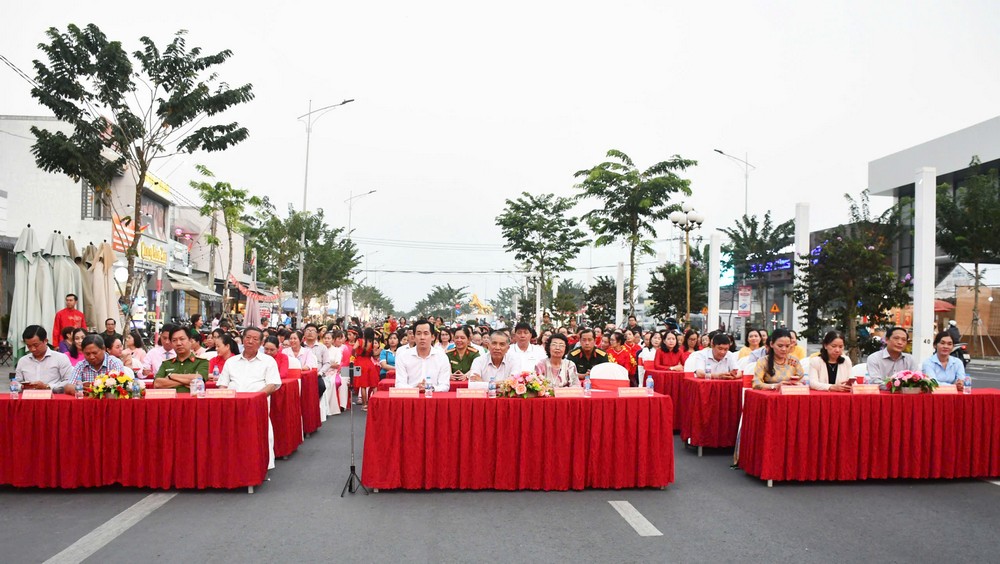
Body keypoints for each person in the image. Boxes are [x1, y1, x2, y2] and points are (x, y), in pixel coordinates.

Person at [217, 328, 281, 396]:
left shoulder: (269, 361)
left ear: (261, 343)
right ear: (243, 339)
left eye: (255, 339)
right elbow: (222, 385)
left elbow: (272, 385)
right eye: (248, 337)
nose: (250, 341)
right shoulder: (230, 361)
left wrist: (255, 398)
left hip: (256, 403)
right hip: (233, 402)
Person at [394, 319, 451, 392]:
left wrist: (431, 388)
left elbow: (445, 385)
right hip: (411, 399)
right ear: (414, 337)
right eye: (418, 333)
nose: (422, 337)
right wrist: (415, 389)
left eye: (426, 333)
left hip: (434, 399)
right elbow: (399, 384)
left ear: (433, 337)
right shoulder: (403, 356)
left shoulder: (442, 357)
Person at [15, 325, 73, 392]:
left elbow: (69, 381)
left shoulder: (60, 358)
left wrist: (47, 386)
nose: (33, 349)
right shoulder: (23, 361)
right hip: (29, 398)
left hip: (53, 398)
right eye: (29, 346)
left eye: (36, 345)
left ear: (45, 341)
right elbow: (16, 382)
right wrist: (22, 387)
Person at [154, 326, 209, 393]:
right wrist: (187, 381)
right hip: (170, 402)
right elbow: (157, 384)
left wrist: (171, 376)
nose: (178, 343)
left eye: (182, 339)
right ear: (171, 343)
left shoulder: (202, 362)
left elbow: (198, 379)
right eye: (174, 340)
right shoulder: (166, 364)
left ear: (190, 341)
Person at [354, 328, 381, 410]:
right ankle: (376, 403)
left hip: (359, 362)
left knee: (363, 385)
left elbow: (353, 349)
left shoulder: (360, 341)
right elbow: (374, 354)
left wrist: (354, 356)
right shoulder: (372, 343)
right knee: (374, 384)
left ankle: (364, 405)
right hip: (369, 363)